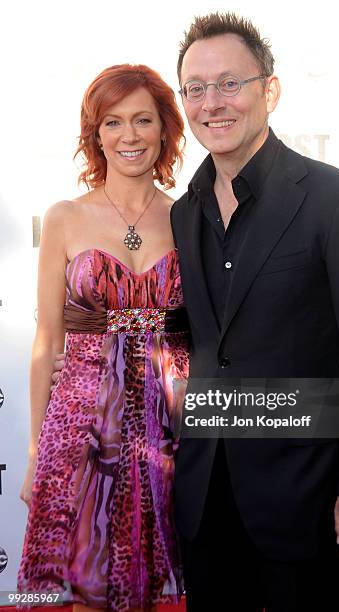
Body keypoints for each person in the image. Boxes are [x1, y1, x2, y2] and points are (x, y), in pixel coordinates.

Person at [169, 13, 339, 612]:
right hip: (207, 500)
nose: (211, 103)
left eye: (230, 83)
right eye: (195, 88)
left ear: (269, 90)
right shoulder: (184, 212)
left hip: (309, 500)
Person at [18, 64, 189, 611]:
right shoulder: (65, 218)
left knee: (154, 578)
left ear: (165, 128)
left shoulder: (192, 216)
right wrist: (32, 452)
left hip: (169, 422)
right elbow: (47, 342)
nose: (129, 136)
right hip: (82, 423)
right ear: (95, 133)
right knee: (89, 586)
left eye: (143, 120)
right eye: (113, 122)